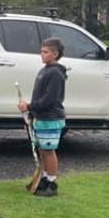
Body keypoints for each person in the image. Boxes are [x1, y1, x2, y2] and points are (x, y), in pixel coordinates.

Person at [18, 37, 68, 198]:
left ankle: (52, 183)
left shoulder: (55, 73)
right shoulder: (44, 70)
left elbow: (50, 99)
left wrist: (30, 107)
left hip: (51, 118)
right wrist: (31, 114)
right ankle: (44, 178)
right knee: (42, 150)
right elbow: (39, 96)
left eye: (45, 52)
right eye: (41, 51)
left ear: (55, 54)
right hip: (41, 117)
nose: (42, 55)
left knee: (48, 150)